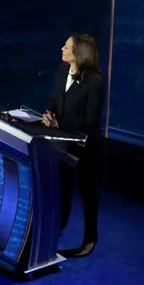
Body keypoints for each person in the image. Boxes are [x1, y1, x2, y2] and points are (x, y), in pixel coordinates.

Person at [41, 33, 104, 259]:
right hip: (63, 142)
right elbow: (55, 99)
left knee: (87, 193)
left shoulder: (95, 81)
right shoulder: (61, 71)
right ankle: (58, 227)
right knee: (63, 187)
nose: (62, 49)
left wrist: (61, 122)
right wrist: (49, 114)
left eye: (66, 46)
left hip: (87, 146)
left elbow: (90, 118)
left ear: (78, 53)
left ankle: (90, 239)